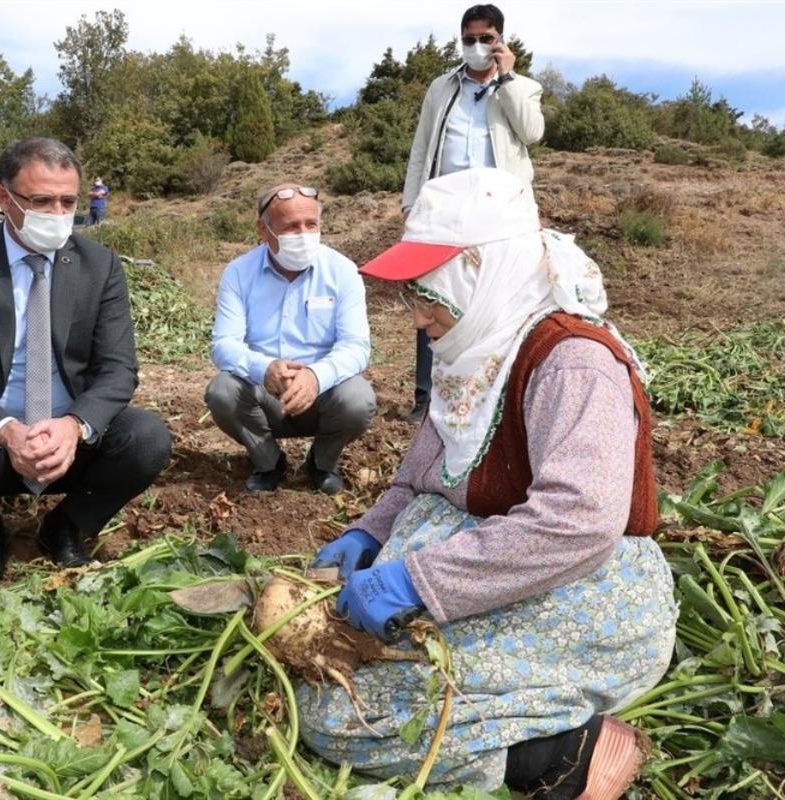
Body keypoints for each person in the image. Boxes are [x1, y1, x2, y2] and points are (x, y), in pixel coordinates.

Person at [305, 168, 675, 800]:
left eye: (428, 293)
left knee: (350, 717)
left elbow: (578, 522)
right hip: (482, 569)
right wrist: (370, 532)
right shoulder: (472, 357)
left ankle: (571, 755)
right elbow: (421, 477)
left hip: (575, 586)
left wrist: (416, 581)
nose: (417, 315)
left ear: (478, 273)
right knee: (335, 680)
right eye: (411, 294)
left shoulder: (573, 361)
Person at [0, 137, 172, 587]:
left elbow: (119, 368)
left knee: (147, 438)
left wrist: (73, 426)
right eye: (41, 201)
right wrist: (7, 432)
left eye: (68, 201)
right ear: (3, 198)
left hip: (69, 446)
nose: (57, 214)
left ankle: (67, 526)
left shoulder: (100, 266)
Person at [401, 4, 545, 423]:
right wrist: (411, 204)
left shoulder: (523, 86)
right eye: (469, 39)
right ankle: (427, 397)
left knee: (497, 298)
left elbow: (532, 132)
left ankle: (492, 392)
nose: (477, 46)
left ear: (501, 40)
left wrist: (507, 79)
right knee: (434, 296)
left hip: (498, 214)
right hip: (444, 210)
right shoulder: (441, 88)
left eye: (486, 38)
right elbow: (421, 147)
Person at [205, 183, 374, 495]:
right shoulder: (239, 273)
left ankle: (322, 463)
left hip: (323, 395)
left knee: (358, 399)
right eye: (291, 227)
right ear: (263, 229)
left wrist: (315, 376)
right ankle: (269, 463)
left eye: (311, 224)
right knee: (222, 391)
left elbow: (356, 346)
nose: (304, 235)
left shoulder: (342, 271)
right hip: (265, 395)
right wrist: (265, 369)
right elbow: (224, 344)